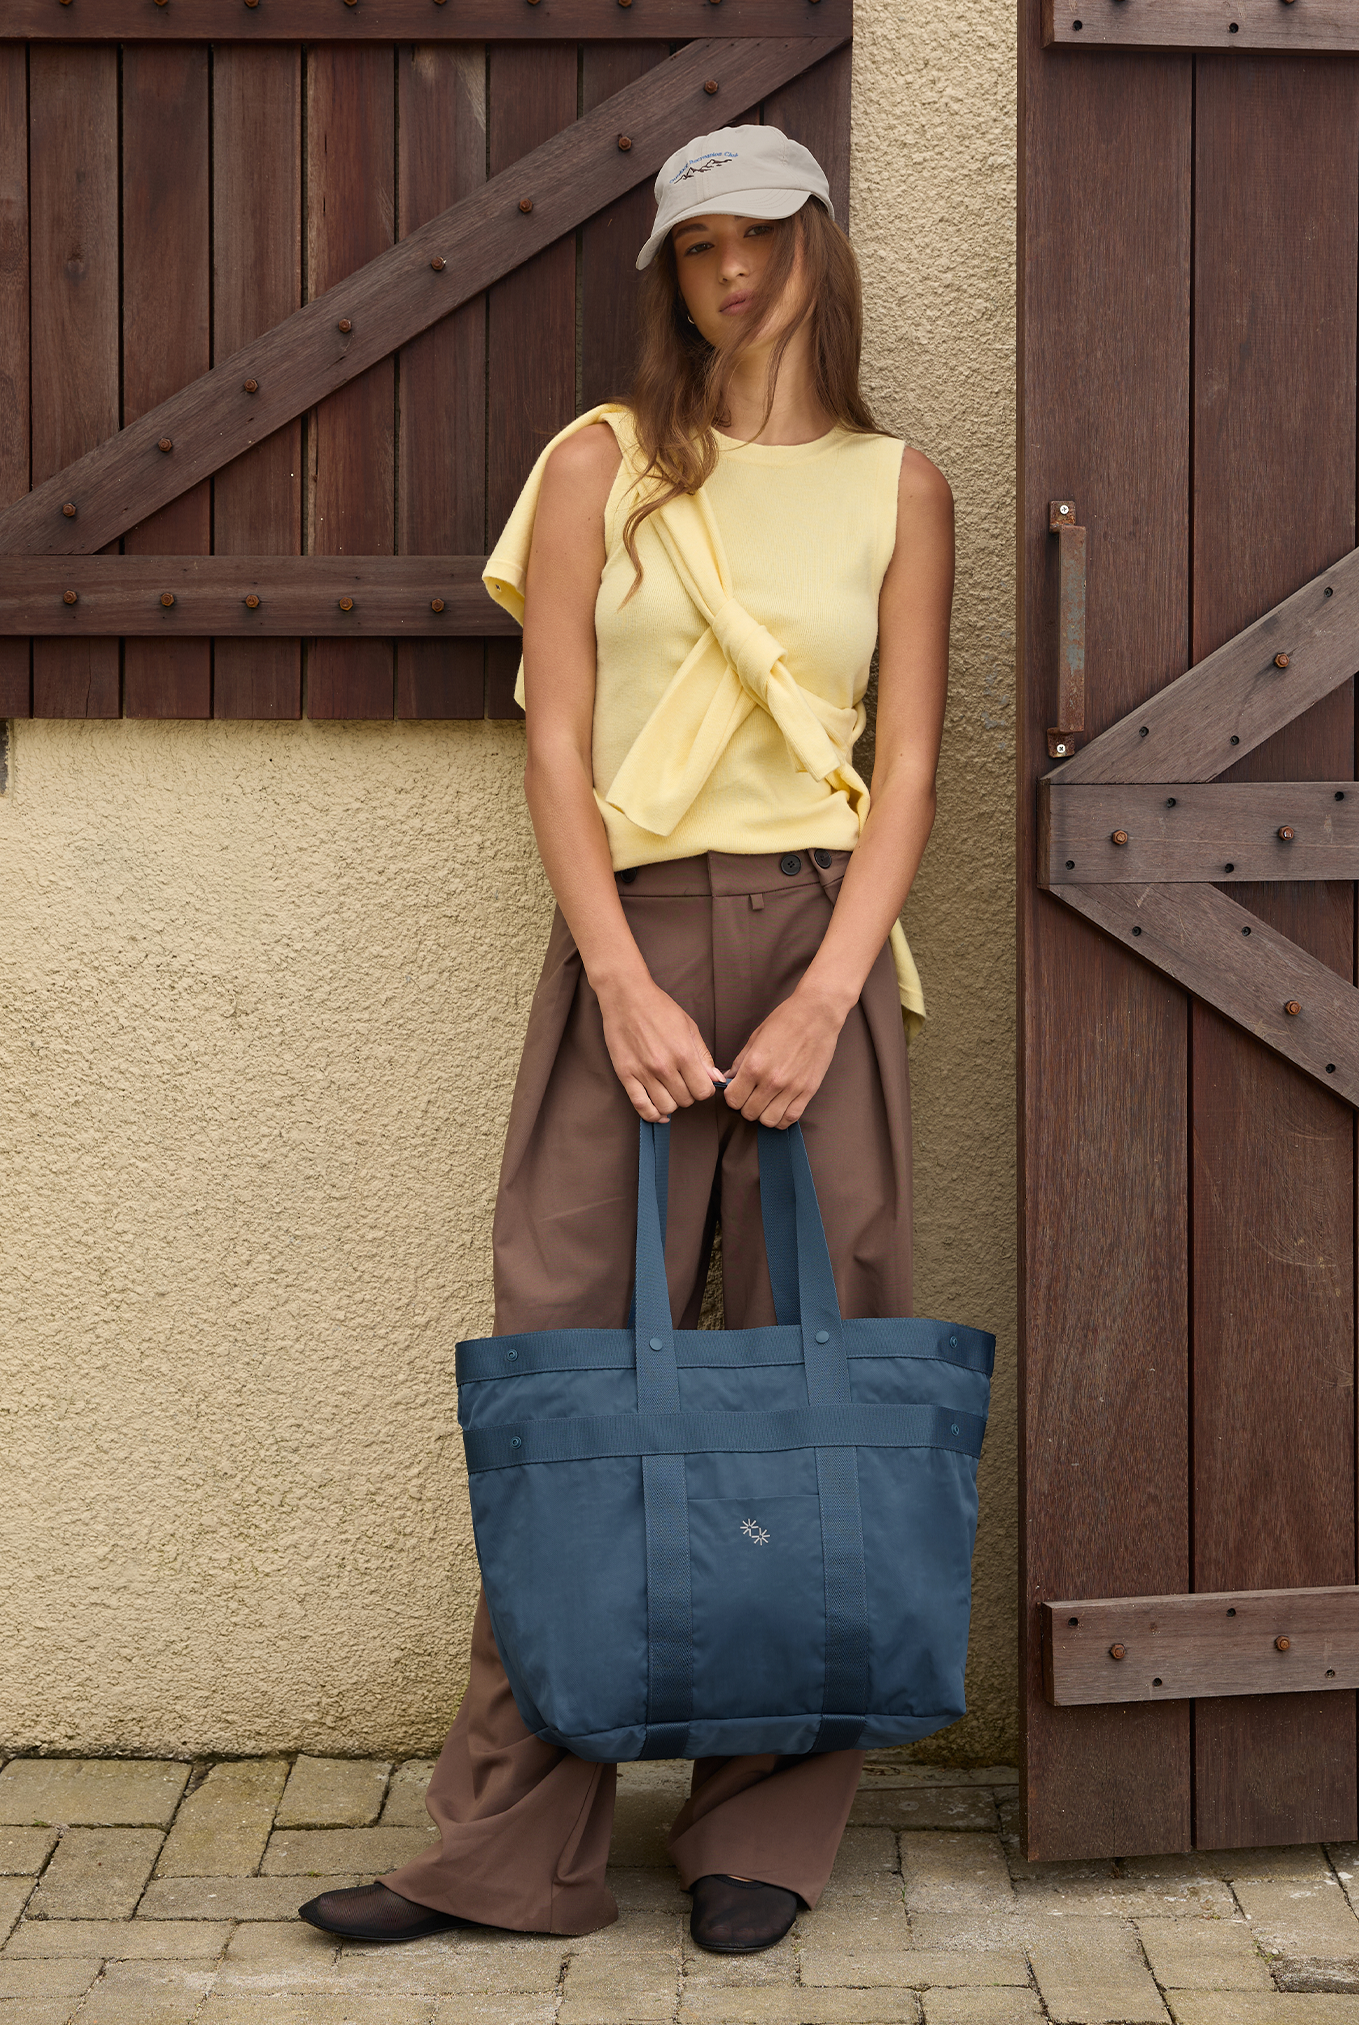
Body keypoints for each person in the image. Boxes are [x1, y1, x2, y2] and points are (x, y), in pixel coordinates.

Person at [301, 124, 954, 1956]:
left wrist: (826, 994)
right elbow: (555, 742)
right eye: (697, 248)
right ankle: (508, 1855)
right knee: (575, 1376)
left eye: (762, 237)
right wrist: (617, 978)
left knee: (824, 1368)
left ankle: (765, 1830)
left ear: (820, 243)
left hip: (827, 939)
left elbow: (910, 764)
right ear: (670, 273)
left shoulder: (902, 488)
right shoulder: (598, 464)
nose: (732, 274)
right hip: (633, 940)